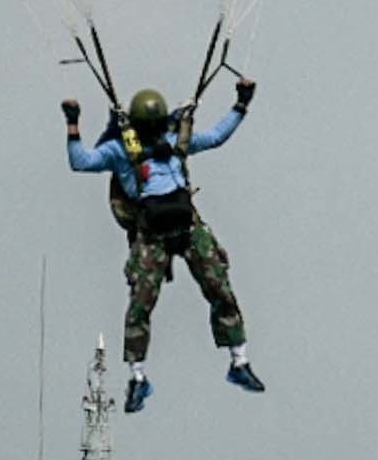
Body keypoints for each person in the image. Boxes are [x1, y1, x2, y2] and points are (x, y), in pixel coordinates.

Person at [62, 79, 262, 410]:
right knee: (141, 302)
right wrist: (72, 124)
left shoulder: (175, 141)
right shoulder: (119, 151)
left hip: (187, 228)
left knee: (220, 287)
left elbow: (214, 137)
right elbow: (81, 161)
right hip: (151, 234)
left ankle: (239, 362)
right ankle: (137, 378)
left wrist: (241, 104)